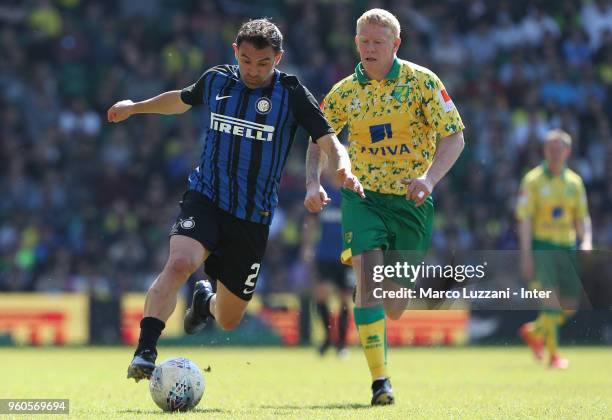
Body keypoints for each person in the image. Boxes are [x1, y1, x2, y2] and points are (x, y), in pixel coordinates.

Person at [107, 18, 364, 382]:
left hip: (251, 216)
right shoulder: (217, 79)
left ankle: (204, 302)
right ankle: (145, 351)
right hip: (206, 196)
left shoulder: (291, 94)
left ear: (278, 58)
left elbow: (329, 140)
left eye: (263, 63)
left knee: (228, 318)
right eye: (245, 61)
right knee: (181, 261)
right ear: (235, 53)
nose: (253, 71)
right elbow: (180, 101)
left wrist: (341, 169)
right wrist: (135, 107)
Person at [304, 9, 465, 405]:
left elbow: (455, 138)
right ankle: (381, 382)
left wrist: (428, 179)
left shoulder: (423, 83)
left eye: (378, 42)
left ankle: (385, 289)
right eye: (364, 41)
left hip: (411, 203)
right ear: (355, 42)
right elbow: (318, 140)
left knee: (394, 307)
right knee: (370, 284)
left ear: (396, 44)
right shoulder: (343, 92)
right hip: (363, 197)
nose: (370, 48)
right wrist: (313, 181)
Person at [516, 129, 591, 370]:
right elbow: (525, 219)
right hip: (543, 245)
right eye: (550, 148)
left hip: (567, 246)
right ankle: (554, 356)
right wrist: (526, 254)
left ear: (567, 151)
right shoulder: (533, 180)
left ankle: (534, 331)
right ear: (544, 151)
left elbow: (582, 217)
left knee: (570, 304)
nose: (554, 153)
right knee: (551, 301)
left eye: (559, 149)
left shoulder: (575, 183)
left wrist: (586, 240)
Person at [301, 170, 353, 358]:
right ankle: (327, 338)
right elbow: (311, 221)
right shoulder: (323, 192)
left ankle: (342, 344)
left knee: (345, 299)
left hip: (346, 256)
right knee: (321, 296)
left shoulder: (352, 194)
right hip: (324, 254)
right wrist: (307, 247)